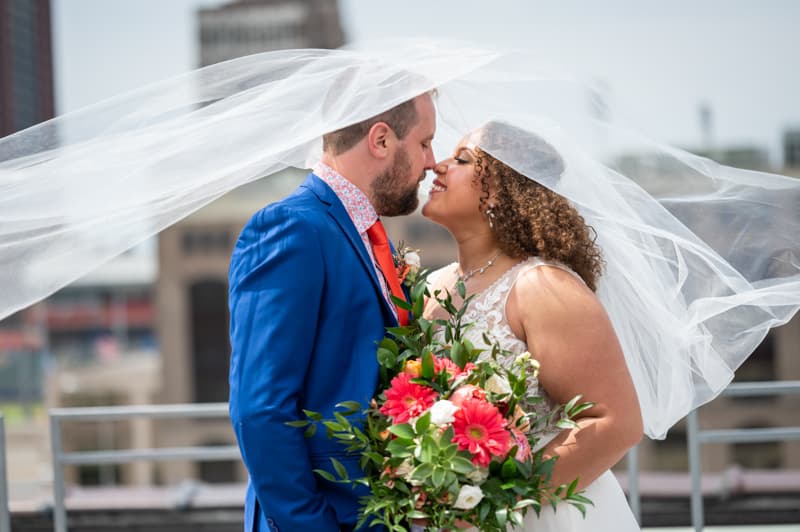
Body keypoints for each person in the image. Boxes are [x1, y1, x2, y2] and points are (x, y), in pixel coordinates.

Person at [228, 92, 437, 532]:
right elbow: (261, 409)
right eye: (424, 143)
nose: (432, 161)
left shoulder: (358, 232)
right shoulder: (291, 228)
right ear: (380, 140)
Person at [421, 120, 642, 531]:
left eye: (462, 159)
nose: (436, 165)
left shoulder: (543, 287)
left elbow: (617, 421)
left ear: (502, 188)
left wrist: (494, 502)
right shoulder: (432, 288)